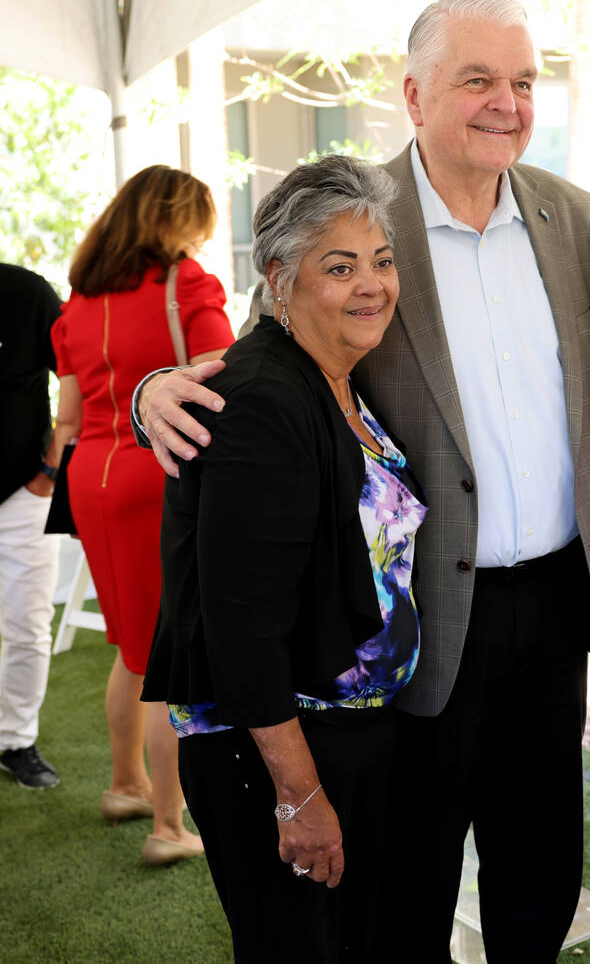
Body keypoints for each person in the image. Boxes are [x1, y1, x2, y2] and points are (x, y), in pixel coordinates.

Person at [132, 0, 590, 961]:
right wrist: (152, 390)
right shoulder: (364, 214)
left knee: (540, 874)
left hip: (556, 605)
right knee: (407, 889)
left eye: (522, 81)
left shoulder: (571, 214)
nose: (505, 103)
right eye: (476, 79)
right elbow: (270, 344)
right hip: (424, 617)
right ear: (413, 94)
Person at [141, 154, 422, 961]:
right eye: (340, 267)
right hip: (272, 752)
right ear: (280, 277)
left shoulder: (333, 377)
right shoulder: (265, 396)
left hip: (344, 738)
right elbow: (241, 628)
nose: (371, 284)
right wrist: (299, 797)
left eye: (381, 260)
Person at [48, 166, 235, 863]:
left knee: (133, 646)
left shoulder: (79, 298)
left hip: (90, 475)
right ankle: (169, 825)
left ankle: (126, 784)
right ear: (181, 219)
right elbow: (224, 373)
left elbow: (66, 415)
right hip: (156, 474)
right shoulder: (184, 283)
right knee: (171, 654)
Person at [0, 263, 62, 790]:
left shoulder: (25, 292)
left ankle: (15, 740)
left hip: (24, 492)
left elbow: (79, 379)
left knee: (27, 624)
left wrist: (50, 471)